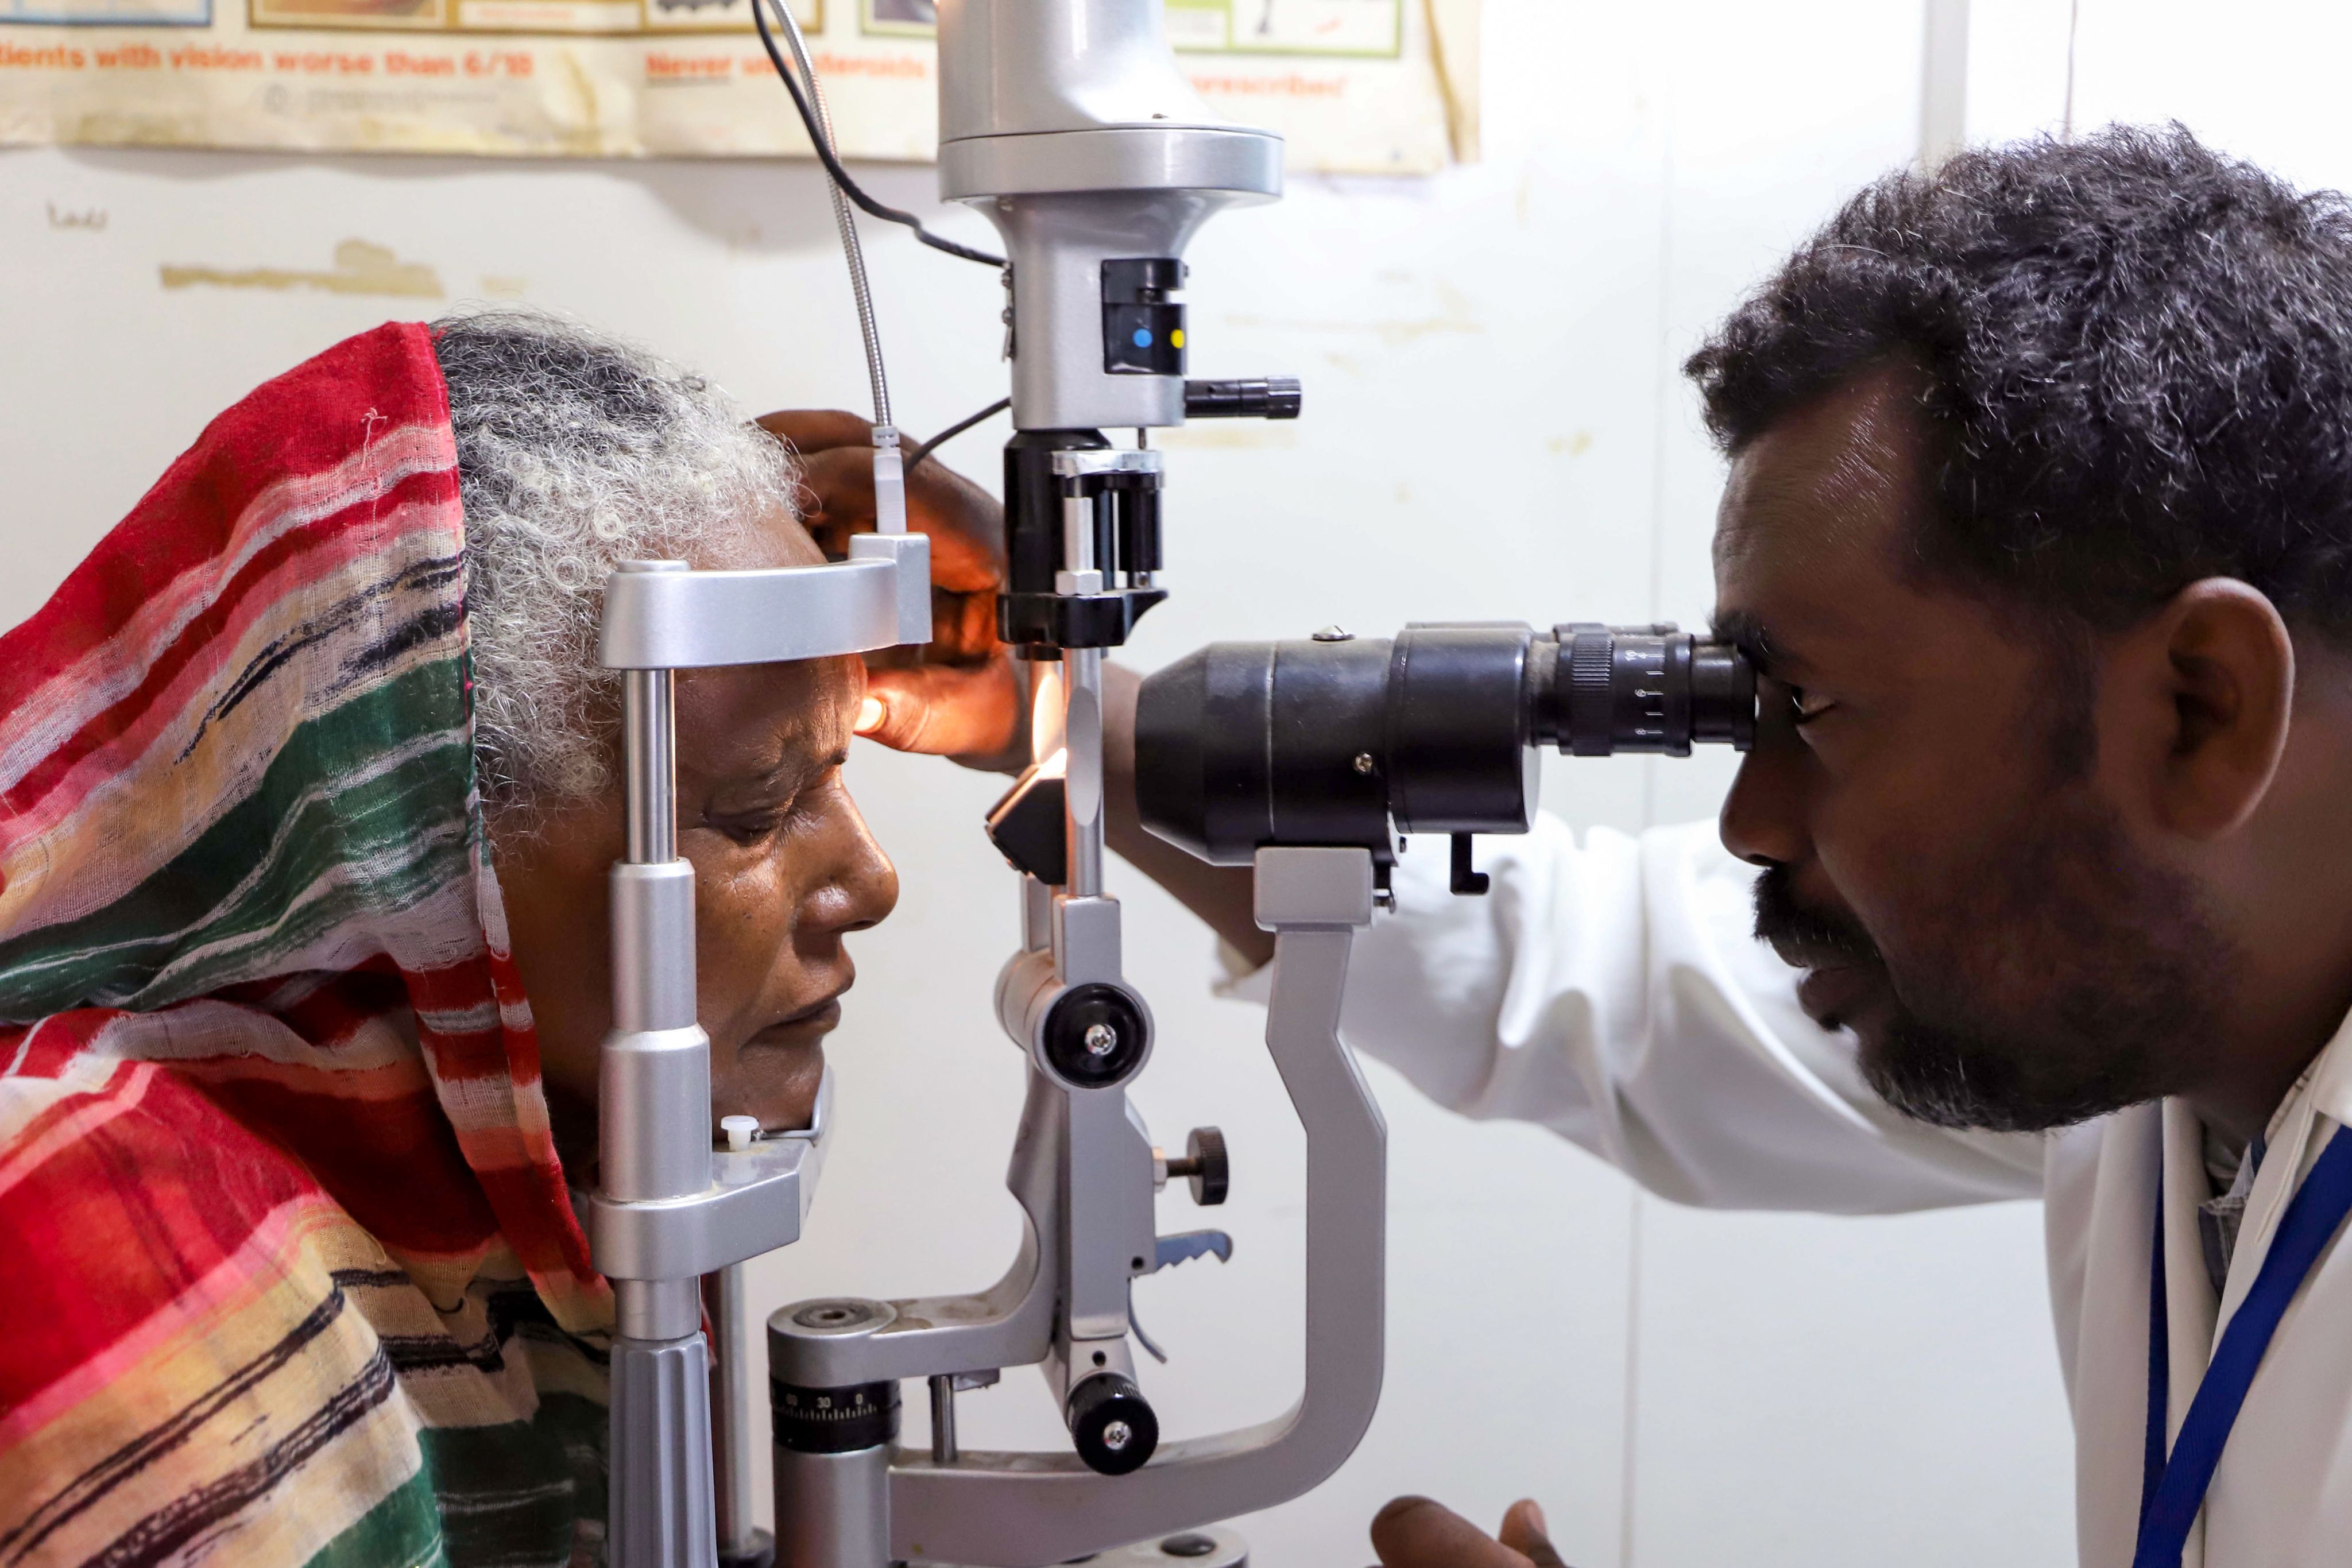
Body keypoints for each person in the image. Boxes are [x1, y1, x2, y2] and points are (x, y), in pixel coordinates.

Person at [843, 126, 2352, 1567]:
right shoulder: (2122, 1006)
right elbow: (1607, 987)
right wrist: (1046, 703)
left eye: (1809, 707)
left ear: (2200, 711)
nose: (1751, 818)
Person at [0, 310, 906, 1567]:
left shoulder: (547, 1192)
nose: (872, 878)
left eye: (840, 769)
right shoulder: (85, 1255)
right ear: (432, 844)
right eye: (758, 805)